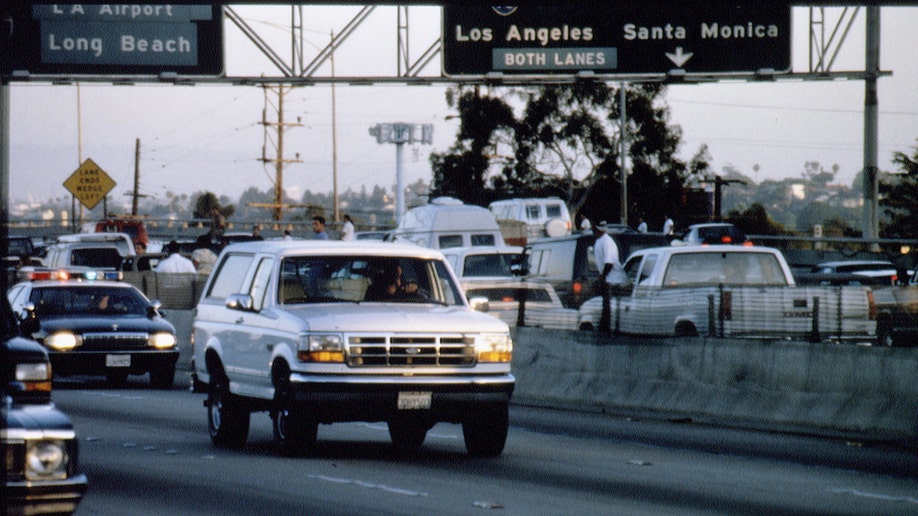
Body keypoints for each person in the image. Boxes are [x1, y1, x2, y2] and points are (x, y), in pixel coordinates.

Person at [592, 224, 629, 333]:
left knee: (610, 305)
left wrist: (602, 277)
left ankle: (608, 329)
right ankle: (604, 327)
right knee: (605, 305)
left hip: (614, 279)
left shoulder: (607, 242)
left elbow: (609, 263)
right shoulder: (599, 241)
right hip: (607, 278)